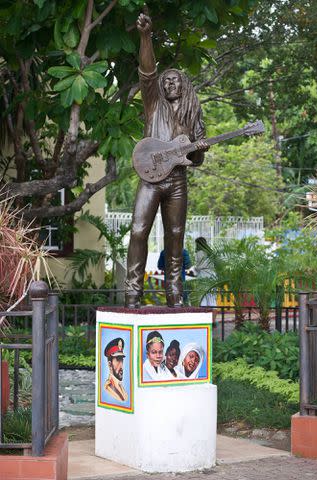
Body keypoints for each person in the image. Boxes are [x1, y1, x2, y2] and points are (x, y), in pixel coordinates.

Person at [125, 11, 208, 309]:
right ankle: (132, 294)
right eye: (167, 80)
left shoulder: (192, 117)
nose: (171, 84)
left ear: (184, 87)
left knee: (175, 236)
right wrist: (146, 36)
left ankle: (175, 295)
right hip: (149, 179)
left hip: (177, 183)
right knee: (138, 230)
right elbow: (147, 72)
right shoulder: (153, 105)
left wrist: (200, 149)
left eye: (176, 81)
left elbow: (195, 160)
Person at [194, 237, 216, 308]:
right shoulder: (211, 252)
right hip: (213, 275)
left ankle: (205, 318)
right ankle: (213, 319)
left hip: (204, 275)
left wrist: (195, 268)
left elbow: (200, 266)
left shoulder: (199, 252)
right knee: (212, 299)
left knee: (203, 297)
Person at [104, 337, 128, 402]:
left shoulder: (119, 384)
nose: (121, 366)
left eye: (121, 360)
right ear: (110, 364)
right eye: (118, 360)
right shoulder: (109, 386)